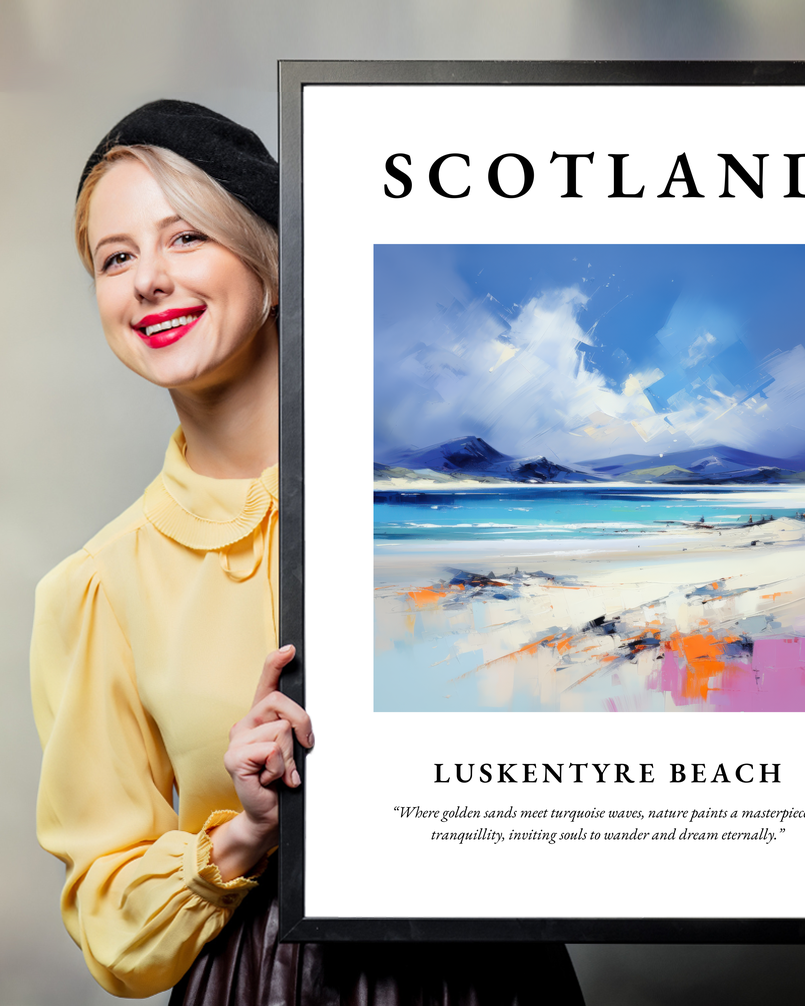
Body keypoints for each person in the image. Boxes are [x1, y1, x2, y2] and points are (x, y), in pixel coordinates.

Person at [30, 100, 586, 1004]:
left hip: (492, 974)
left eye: (185, 238)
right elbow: (110, 922)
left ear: (273, 263)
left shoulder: (443, 504)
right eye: (116, 257)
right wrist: (245, 832)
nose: (148, 281)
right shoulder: (97, 587)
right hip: (262, 982)